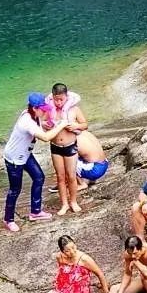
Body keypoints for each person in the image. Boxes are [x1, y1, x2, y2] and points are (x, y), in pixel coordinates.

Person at [2, 93, 70, 233]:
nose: (44, 111)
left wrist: (46, 124)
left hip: (25, 154)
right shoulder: (26, 121)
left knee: (39, 177)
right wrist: (62, 125)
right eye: (42, 109)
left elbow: (39, 127)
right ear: (34, 108)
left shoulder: (32, 115)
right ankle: (8, 219)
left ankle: (35, 211)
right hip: (15, 158)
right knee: (15, 190)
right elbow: (45, 138)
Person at [47, 82, 88, 216]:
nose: (58, 102)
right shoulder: (49, 110)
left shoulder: (74, 109)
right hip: (55, 147)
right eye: (56, 99)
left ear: (66, 97)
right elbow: (42, 125)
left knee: (71, 176)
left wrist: (76, 126)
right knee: (60, 177)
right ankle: (64, 204)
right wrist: (46, 127)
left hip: (70, 146)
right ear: (52, 97)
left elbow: (85, 124)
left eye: (61, 99)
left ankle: (73, 201)